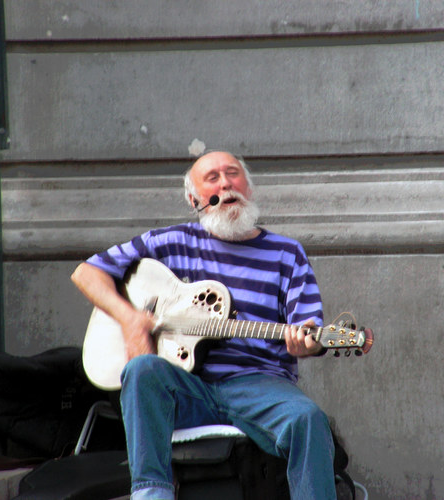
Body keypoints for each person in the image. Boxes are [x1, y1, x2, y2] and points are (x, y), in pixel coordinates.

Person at [71, 151, 338, 499]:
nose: (226, 183)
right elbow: (86, 273)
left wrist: (308, 341)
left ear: (249, 189)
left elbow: (308, 327)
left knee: (308, 420)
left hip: (260, 386)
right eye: (213, 178)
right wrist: (131, 319)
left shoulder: (287, 254)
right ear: (194, 198)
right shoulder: (170, 242)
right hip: (185, 386)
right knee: (141, 370)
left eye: (233, 174)